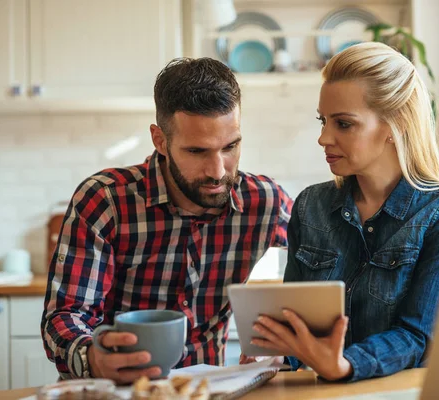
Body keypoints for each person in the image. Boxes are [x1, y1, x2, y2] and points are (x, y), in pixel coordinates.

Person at [41, 57, 292, 384]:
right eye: (197, 151)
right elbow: (65, 316)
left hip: (206, 390)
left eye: (230, 147)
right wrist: (91, 356)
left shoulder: (265, 202)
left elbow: (329, 267)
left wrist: (283, 345)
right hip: (115, 391)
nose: (218, 171)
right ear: (160, 140)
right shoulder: (105, 201)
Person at [246, 42, 439, 382]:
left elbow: (418, 336)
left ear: (395, 126)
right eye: (323, 121)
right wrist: (278, 354)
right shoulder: (310, 206)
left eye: (344, 124)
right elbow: (295, 323)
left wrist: (344, 365)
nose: (323, 137)